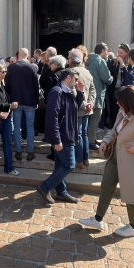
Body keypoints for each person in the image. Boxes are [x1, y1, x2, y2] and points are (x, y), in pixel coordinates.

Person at [79, 86, 134, 236]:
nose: (117, 103)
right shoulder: (123, 113)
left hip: (131, 162)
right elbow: (114, 130)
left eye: (120, 101)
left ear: (129, 102)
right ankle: (98, 219)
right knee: (106, 187)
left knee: (132, 194)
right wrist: (105, 141)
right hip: (114, 158)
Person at [37, 68, 86, 205]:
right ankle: (45, 187)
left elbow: (74, 108)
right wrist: (57, 139)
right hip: (62, 136)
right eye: (75, 79)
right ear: (68, 78)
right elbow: (52, 117)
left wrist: (80, 93)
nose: (77, 82)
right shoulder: (57, 92)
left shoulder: (67, 92)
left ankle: (61, 192)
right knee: (69, 164)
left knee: (60, 164)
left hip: (67, 134)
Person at [6, 48, 39, 162]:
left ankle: (19, 151)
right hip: (29, 101)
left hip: (16, 102)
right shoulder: (32, 67)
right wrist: (36, 102)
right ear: (28, 56)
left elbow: (7, 85)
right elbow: (36, 86)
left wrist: (9, 100)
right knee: (30, 127)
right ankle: (30, 151)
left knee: (16, 127)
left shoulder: (11, 67)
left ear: (18, 55)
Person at [68, 49, 96, 169]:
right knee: (83, 134)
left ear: (70, 60)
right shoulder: (87, 71)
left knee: (78, 134)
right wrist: (90, 103)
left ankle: (79, 160)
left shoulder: (71, 72)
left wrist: (85, 104)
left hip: (78, 108)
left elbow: (73, 91)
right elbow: (93, 90)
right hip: (87, 108)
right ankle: (85, 158)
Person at [86, 43, 113, 150]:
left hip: (87, 94)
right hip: (97, 94)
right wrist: (111, 79)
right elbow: (107, 78)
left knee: (87, 119)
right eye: (106, 51)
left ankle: (90, 138)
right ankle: (91, 141)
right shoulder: (99, 61)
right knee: (95, 119)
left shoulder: (87, 60)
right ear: (102, 50)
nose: (107, 53)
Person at [106, 44, 131, 130]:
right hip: (113, 89)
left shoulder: (129, 63)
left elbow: (128, 75)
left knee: (122, 109)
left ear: (127, 53)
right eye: (118, 52)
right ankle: (112, 127)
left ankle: (121, 128)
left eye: (122, 53)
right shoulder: (112, 62)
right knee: (113, 109)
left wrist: (122, 64)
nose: (119, 54)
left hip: (123, 89)